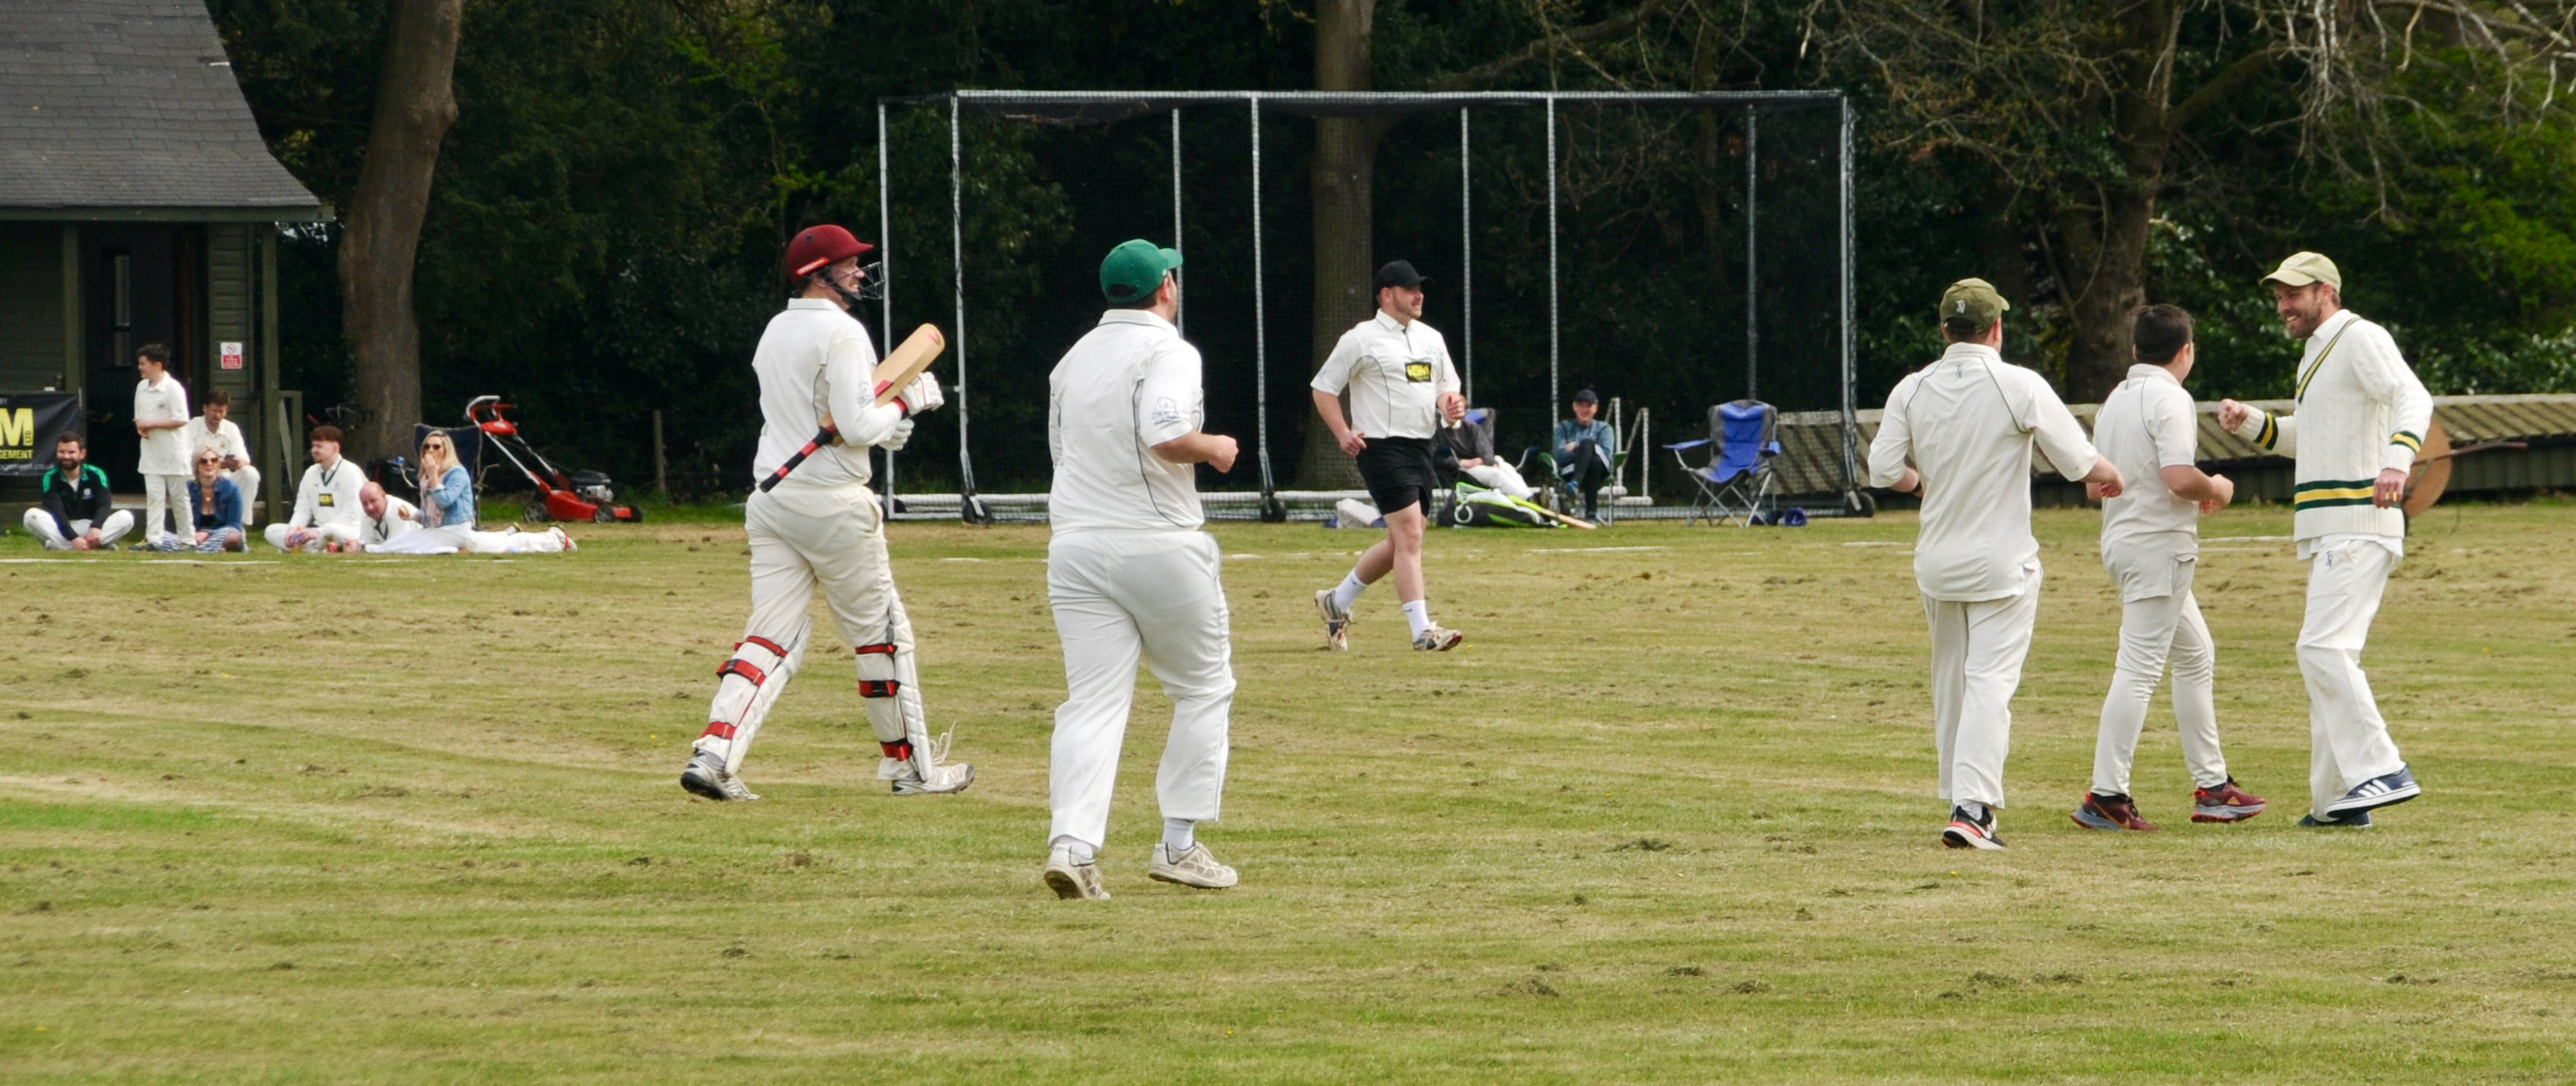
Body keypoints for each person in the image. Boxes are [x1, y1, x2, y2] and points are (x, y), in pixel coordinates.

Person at [679, 223, 971, 802]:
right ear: (819, 274)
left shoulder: (774, 330)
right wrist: (906, 403)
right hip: (832, 505)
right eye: (851, 263)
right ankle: (912, 770)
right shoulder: (842, 332)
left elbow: (834, 419)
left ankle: (714, 753)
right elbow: (857, 423)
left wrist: (884, 426)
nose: (861, 272)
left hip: (772, 496)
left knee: (771, 635)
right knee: (882, 639)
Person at [1867, 278, 2125, 850]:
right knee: (1988, 685)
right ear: (1997, 329)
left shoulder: (1911, 389)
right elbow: (2081, 461)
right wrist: (2113, 475)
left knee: (1951, 684)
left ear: (1944, 330)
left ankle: (1962, 799)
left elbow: (1882, 470)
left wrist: (1922, 488)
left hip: (1936, 563)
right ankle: (1973, 808)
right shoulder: (2017, 383)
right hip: (2000, 565)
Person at [1039, 238, 1242, 900]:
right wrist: (1214, 448)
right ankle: (1178, 846)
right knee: (1204, 687)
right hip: (1155, 542)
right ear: (1165, 289)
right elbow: (1164, 431)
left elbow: (1060, 453)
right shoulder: (1169, 350)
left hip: (1074, 547)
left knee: (1092, 703)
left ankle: (1072, 846)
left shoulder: (1071, 359)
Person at [2219, 252, 2431, 828]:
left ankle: (2383, 769)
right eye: (2280, 296)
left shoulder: (2360, 336)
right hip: (2329, 526)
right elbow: (2307, 437)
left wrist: (2397, 461)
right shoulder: (2317, 351)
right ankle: (2337, 804)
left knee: (2322, 650)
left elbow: (2414, 398)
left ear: (2326, 292)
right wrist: (2252, 424)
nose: (2284, 305)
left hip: (2358, 520)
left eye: (2295, 294)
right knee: (2326, 661)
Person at [2076, 304, 2267, 831]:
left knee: (2197, 655)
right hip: (2159, 547)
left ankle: (2214, 786)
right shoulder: (2171, 398)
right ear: (2186, 352)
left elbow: (2095, 485)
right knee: (2138, 670)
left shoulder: (2114, 401)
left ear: (2136, 349)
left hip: (2124, 543)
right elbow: (2181, 478)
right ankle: (2107, 794)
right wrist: (2219, 489)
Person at [1309, 260, 1468, 652]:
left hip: (1421, 447)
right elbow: (1323, 388)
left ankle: (1336, 601)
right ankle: (1422, 631)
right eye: (1410, 288)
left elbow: (1446, 389)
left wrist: (1451, 405)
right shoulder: (1360, 339)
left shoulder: (1430, 338)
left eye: (1421, 288)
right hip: (1379, 447)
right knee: (1410, 534)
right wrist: (1343, 432)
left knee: (1402, 543)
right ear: (1386, 294)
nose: (1419, 295)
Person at [263, 425, 368, 552]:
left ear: (335, 448)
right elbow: (303, 509)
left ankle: (313, 548)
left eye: (319, 446)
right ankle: (324, 549)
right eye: (313, 446)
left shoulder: (351, 472)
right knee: (271, 530)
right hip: (316, 531)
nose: (314, 450)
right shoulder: (310, 473)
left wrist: (319, 531)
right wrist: (292, 530)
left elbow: (351, 514)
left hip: (347, 530)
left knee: (331, 531)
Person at [24, 432, 132, 550]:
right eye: (61, 452)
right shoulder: (50, 477)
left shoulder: (96, 474)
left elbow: (104, 505)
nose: (66, 456)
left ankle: (61, 547)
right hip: (62, 527)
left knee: (126, 517)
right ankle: (95, 546)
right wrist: (73, 538)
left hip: (90, 526)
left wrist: (96, 527)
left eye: (71, 452)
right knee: (31, 516)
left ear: (82, 454)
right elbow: (56, 513)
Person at [132, 343, 192, 548]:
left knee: (178, 498)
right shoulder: (141, 387)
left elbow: (181, 419)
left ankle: (188, 540)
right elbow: (140, 416)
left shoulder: (173, 387)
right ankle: (154, 539)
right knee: (154, 497)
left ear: (157, 365)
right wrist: (141, 426)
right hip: (151, 452)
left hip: (174, 452)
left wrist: (151, 424)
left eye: (143, 364)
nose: (140, 368)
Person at [188, 388, 260, 526]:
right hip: (198, 477)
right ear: (205, 408)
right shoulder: (193, 426)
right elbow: (187, 459)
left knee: (250, 474)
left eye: (221, 411)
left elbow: (244, 459)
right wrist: (216, 462)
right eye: (214, 410)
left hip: (224, 477)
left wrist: (233, 462)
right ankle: (196, 524)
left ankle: (240, 524)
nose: (218, 415)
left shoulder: (231, 428)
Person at [155, 448, 246, 552]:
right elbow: (180, 522)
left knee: (233, 536)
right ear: (196, 466)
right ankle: (209, 549)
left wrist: (207, 534)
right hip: (193, 536)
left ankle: (194, 549)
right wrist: (194, 536)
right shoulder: (187, 489)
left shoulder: (232, 488)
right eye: (204, 461)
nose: (209, 464)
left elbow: (234, 524)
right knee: (158, 536)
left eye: (214, 460)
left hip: (219, 535)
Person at [1438, 406, 1535, 498]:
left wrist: (1484, 460)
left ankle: (1530, 498)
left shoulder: (1471, 427)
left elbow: (1487, 452)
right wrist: (1460, 462)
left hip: (1482, 462)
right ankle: (1528, 498)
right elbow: (1436, 458)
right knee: (1496, 475)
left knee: (1505, 467)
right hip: (1463, 470)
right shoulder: (1439, 429)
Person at [1551, 389, 1617, 521]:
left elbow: (1606, 455)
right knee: (1593, 461)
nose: (1584, 409)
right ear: (1574, 407)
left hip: (1600, 473)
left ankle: (1575, 483)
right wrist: (1584, 454)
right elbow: (1559, 456)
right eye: (1581, 405)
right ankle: (1591, 513)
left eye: (1588, 406)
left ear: (1595, 408)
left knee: (1590, 449)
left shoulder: (1604, 429)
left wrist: (1578, 446)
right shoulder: (1563, 427)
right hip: (1570, 470)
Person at [354, 481, 421, 547]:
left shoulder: (399, 511)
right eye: (365, 503)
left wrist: (367, 548)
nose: (370, 507)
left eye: (373, 501)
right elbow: (364, 544)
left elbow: (397, 548)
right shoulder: (369, 516)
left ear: (383, 496)